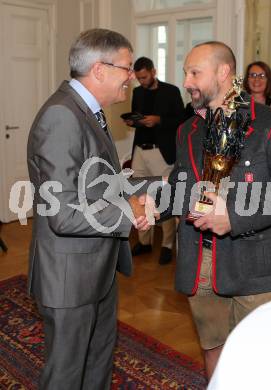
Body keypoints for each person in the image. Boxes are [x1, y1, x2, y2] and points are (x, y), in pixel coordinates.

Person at [155, 41, 271, 380]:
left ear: (223, 72)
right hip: (199, 262)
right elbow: (181, 188)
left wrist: (235, 217)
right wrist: (151, 206)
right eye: (185, 73)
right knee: (213, 347)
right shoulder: (187, 130)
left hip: (254, 263)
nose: (187, 81)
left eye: (195, 72)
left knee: (256, 355)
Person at [27, 28, 153, 390]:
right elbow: (64, 212)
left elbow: (100, 184)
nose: (132, 77)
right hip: (70, 276)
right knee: (66, 376)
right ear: (99, 69)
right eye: (127, 69)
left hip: (96, 268)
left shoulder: (89, 112)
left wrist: (145, 193)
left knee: (97, 362)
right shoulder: (62, 117)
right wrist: (128, 212)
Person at [124, 56, 184, 264]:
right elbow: (135, 117)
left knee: (163, 196)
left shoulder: (171, 91)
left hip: (162, 151)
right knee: (139, 193)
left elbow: (181, 122)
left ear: (153, 71)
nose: (141, 81)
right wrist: (133, 121)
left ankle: (167, 245)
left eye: (144, 77)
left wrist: (159, 121)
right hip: (140, 149)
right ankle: (145, 241)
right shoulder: (137, 92)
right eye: (138, 78)